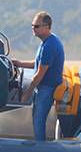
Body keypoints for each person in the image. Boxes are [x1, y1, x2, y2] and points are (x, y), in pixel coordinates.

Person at [10, 11, 65, 141]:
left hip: (47, 88)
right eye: (32, 26)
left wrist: (28, 92)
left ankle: (40, 146)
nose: (33, 29)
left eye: (36, 26)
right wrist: (19, 63)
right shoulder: (47, 42)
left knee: (38, 119)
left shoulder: (49, 46)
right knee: (37, 117)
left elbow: (40, 72)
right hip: (44, 87)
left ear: (47, 27)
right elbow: (39, 63)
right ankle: (39, 143)